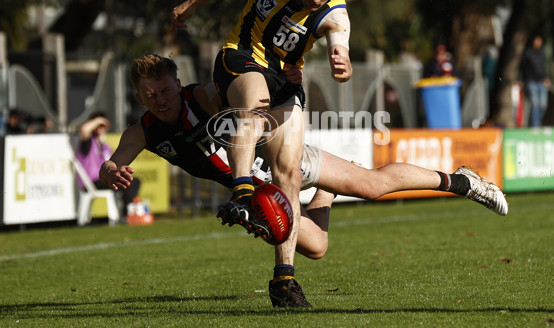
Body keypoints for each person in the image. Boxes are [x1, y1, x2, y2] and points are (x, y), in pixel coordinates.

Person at [99, 54, 508, 307]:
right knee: (318, 246)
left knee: (371, 186)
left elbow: (248, 91)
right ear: (140, 97)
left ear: (177, 83)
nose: (161, 99)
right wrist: (109, 171)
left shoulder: (201, 97)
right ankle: (324, 193)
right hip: (262, 193)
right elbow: (109, 166)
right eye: (150, 94)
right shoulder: (142, 131)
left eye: (165, 89)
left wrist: (281, 79)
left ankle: (461, 181)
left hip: (282, 161)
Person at [171, 0, 352, 307]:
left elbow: (338, 40)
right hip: (240, 56)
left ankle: (284, 281)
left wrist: (342, 60)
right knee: (255, 107)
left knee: (290, 173)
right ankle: (241, 194)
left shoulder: (335, 14)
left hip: (284, 80)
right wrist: (194, 3)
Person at [76, 112, 141, 220]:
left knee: (132, 181)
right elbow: (84, 130)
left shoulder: (106, 147)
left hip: (105, 178)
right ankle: (127, 216)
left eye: (103, 126)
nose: (100, 129)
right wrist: (100, 120)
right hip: (92, 181)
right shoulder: (88, 143)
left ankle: (127, 213)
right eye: (98, 126)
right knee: (126, 182)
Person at [519, 35, 551, 127]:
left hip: (541, 82)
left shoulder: (542, 53)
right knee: (535, 104)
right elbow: (522, 67)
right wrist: (520, 79)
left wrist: (546, 77)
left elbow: (544, 68)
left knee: (543, 105)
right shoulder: (528, 53)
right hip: (531, 81)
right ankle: (535, 125)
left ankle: (538, 122)